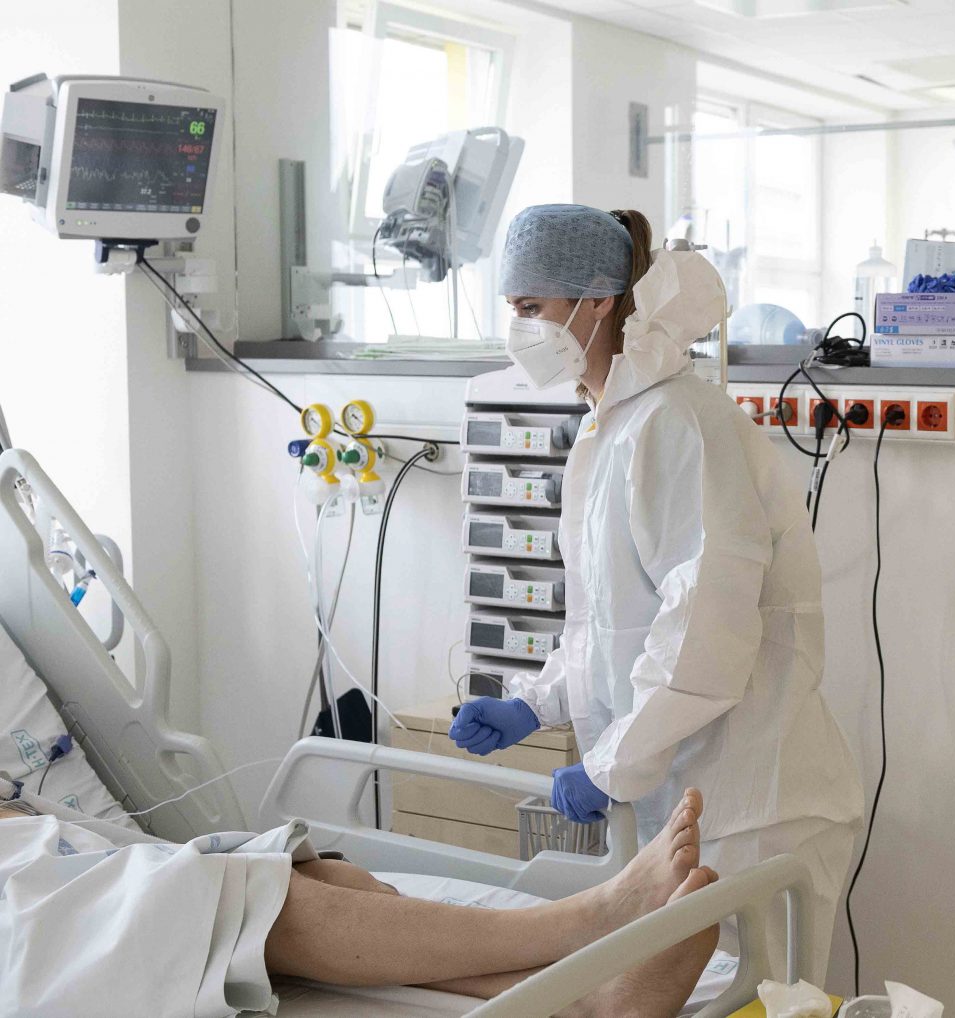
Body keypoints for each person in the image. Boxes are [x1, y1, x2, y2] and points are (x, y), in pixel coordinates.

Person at [448, 204, 863, 982]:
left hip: (753, 804)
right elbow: (609, 626)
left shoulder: (677, 423)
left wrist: (609, 767)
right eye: (512, 308)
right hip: (691, 795)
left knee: (756, 999)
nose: (518, 329)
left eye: (531, 306)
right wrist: (534, 705)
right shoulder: (612, 426)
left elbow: (703, 634)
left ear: (598, 300)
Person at [0, 788, 720, 1016]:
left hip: (45, 854)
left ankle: (587, 1000)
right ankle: (582, 924)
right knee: (236, 901)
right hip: (22, 905)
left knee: (326, 881)